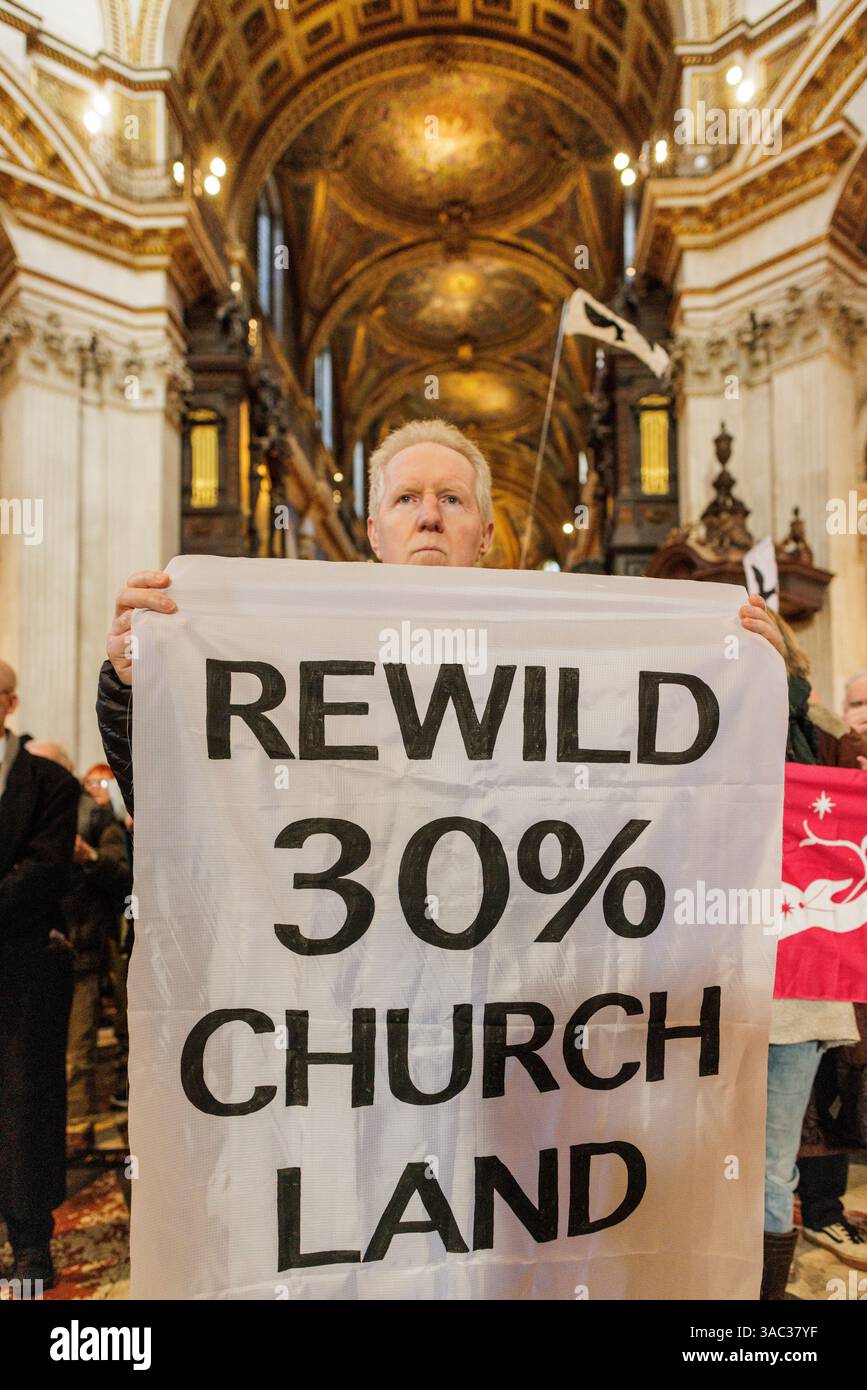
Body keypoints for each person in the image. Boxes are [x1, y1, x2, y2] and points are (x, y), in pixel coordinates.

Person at [97, 418, 787, 808]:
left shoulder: (558, 650)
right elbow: (188, 791)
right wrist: (132, 686)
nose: (428, 515)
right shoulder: (295, 649)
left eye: (452, 499)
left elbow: (692, 794)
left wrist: (762, 687)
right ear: (373, 531)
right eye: (406, 499)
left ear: (486, 534)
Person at [760, 617, 867, 1299]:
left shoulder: (818, 731)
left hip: (792, 986)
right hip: (698, 979)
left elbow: (854, 761)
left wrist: (785, 684)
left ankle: (752, 1324)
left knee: (772, 1168)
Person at [0, 663, 79, 1288]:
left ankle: (30, 1242)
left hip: (21, 966)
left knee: (24, 1106)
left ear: (9, 702)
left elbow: (43, 870)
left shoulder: (48, 781)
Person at [61, 765, 132, 1153]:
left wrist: (87, 855)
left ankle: (80, 1122)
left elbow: (120, 877)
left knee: (83, 1041)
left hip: (89, 941)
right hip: (46, 943)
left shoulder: (97, 819)